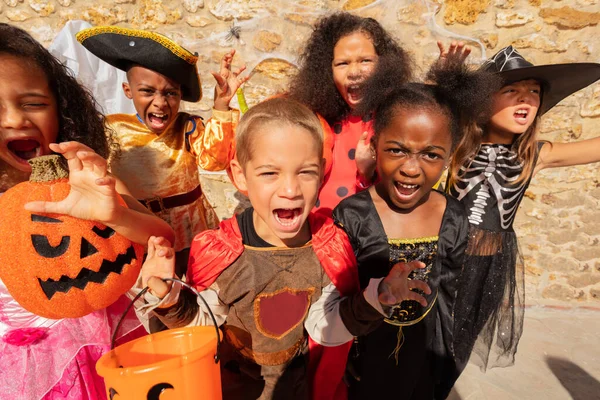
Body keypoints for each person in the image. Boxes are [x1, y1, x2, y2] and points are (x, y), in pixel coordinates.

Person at [133, 97, 431, 400]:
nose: (290, 190)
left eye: (305, 172)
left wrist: (375, 300)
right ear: (239, 175)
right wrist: (167, 297)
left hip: (293, 388)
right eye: (269, 173)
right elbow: (202, 329)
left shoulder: (327, 247)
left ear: (323, 173)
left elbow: (324, 327)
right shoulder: (221, 252)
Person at [0, 23, 174, 400]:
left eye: (33, 103)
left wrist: (115, 215)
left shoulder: (94, 181)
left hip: (111, 345)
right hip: (28, 370)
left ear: (61, 109)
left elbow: (163, 235)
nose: (15, 120)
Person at [332, 54, 501, 399]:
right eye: (397, 150)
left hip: (423, 364)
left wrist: (446, 359)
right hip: (362, 363)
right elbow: (333, 297)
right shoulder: (352, 216)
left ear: (450, 155)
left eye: (430, 155)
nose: (411, 168)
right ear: (374, 144)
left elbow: (450, 299)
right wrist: (338, 353)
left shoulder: (452, 217)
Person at [448, 46, 600, 382]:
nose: (526, 99)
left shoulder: (534, 155)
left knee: (457, 350)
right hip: (442, 262)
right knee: (424, 344)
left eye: (533, 92)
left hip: (488, 267)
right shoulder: (457, 143)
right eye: (512, 91)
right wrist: (450, 79)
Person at [77, 26, 248, 276]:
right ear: (128, 91)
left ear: (180, 96)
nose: (160, 102)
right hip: (140, 225)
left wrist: (221, 106)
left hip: (191, 224)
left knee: (194, 280)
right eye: (147, 91)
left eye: (170, 93)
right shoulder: (110, 129)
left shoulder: (188, 127)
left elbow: (215, 160)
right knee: (153, 286)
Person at [288, 12, 471, 216]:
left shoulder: (395, 115)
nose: (354, 72)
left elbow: (430, 117)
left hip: (370, 234)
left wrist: (442, 83)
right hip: (321, 232)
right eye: (342, 63)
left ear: (385, 65)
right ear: (325, 70)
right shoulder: (316, 118)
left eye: (365, 61)